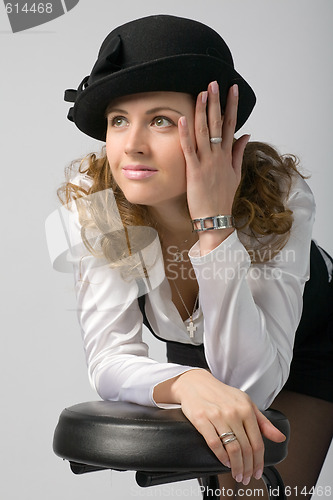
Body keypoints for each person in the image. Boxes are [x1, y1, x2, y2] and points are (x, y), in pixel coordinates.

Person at [54, 14, 333, 498]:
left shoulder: (280, 195)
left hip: (312, 342)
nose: (132, 147)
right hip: (202, 347)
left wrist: (214, 224)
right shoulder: (93, 200)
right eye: (119, 120)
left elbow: (253, 385)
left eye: (160, 120)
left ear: (215, 128)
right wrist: (185, 382)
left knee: (258, 495)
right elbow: (109, 358)